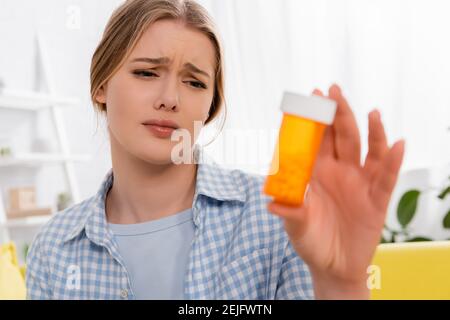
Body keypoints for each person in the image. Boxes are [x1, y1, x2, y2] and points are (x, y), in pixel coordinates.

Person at [26, 0, 404, 300]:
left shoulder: (278, 219)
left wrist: (343, 284)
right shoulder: (55, 248)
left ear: (211, 106)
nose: (170, 99)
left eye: (194, 82)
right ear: (101, 85)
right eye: (146, 72)